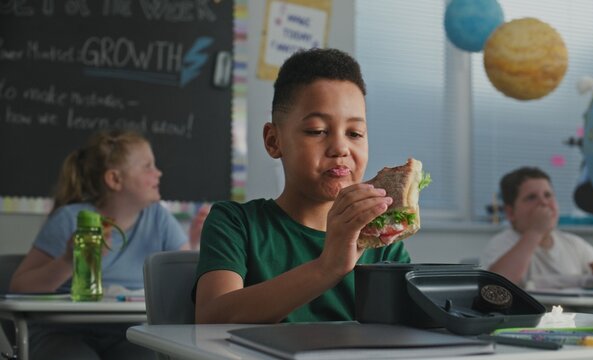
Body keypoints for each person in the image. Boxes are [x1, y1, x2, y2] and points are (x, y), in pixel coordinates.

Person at [193, 48, 410, 324]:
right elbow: (211, 317)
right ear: (274, 141)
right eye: (317, 131)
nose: (341, 148)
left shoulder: (383, 239)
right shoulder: (236, 224)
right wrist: (327, 267)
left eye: (355, 133)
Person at [9, 129, 207, 360]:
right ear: (114, 179)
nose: (159, 173)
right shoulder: (70, 219)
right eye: (147, 166)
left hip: (130, 332)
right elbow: (20, 286)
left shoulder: (159, 219)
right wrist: (67, 261)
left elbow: (184, 284)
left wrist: (196, 242)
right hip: (62, 332)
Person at [481, 167, 593, 289]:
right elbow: (495, 287)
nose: (544, 203)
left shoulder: (573, 244)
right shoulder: (501, 244)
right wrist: (535, 232)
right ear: (510, 212)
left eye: (548, 195)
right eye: (531, 197)